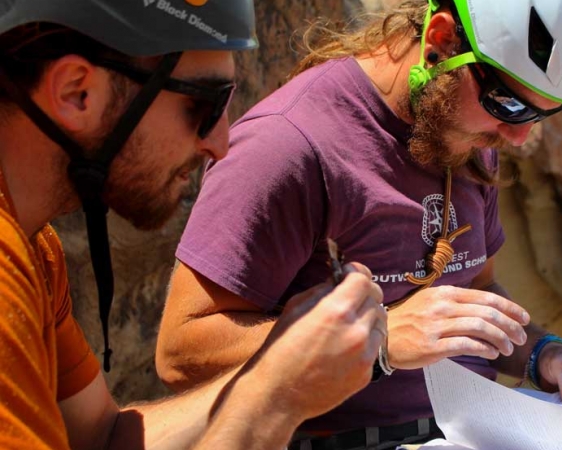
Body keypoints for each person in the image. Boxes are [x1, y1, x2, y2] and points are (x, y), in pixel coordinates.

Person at [156, 0, 562, 448]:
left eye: (546, 113)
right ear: (440, 38)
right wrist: (376, 338)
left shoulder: (466, 128)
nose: (519, 137)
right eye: (510, 105)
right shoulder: (287, 147)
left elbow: (477, 295)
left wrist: (542, 353)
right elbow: (181, 352)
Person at [0, 1, 387, 449]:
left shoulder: (35, 248)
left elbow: (102, 437)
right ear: (76, 93)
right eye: (204, 104)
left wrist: (277, 366)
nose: (221, 145)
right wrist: (278, 397)